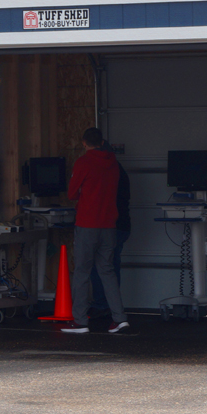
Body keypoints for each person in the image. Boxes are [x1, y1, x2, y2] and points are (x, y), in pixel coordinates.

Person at [61, 127, 130, 334]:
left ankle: (81, 321)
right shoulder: (114, 165)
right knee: (107, 271)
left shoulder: (83, 162)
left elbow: (72, 193)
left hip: (87, 224)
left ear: (84, 143)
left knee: (82, 271)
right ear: (101, 142)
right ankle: (119, 318)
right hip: (109, 225)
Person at [89, 141, 130, 318]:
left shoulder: (102, 170)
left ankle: (101, 305)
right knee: (111, 266)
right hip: (121, 225)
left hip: (106, 224)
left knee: (98, 267)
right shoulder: (118, 170)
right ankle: (114, 308)